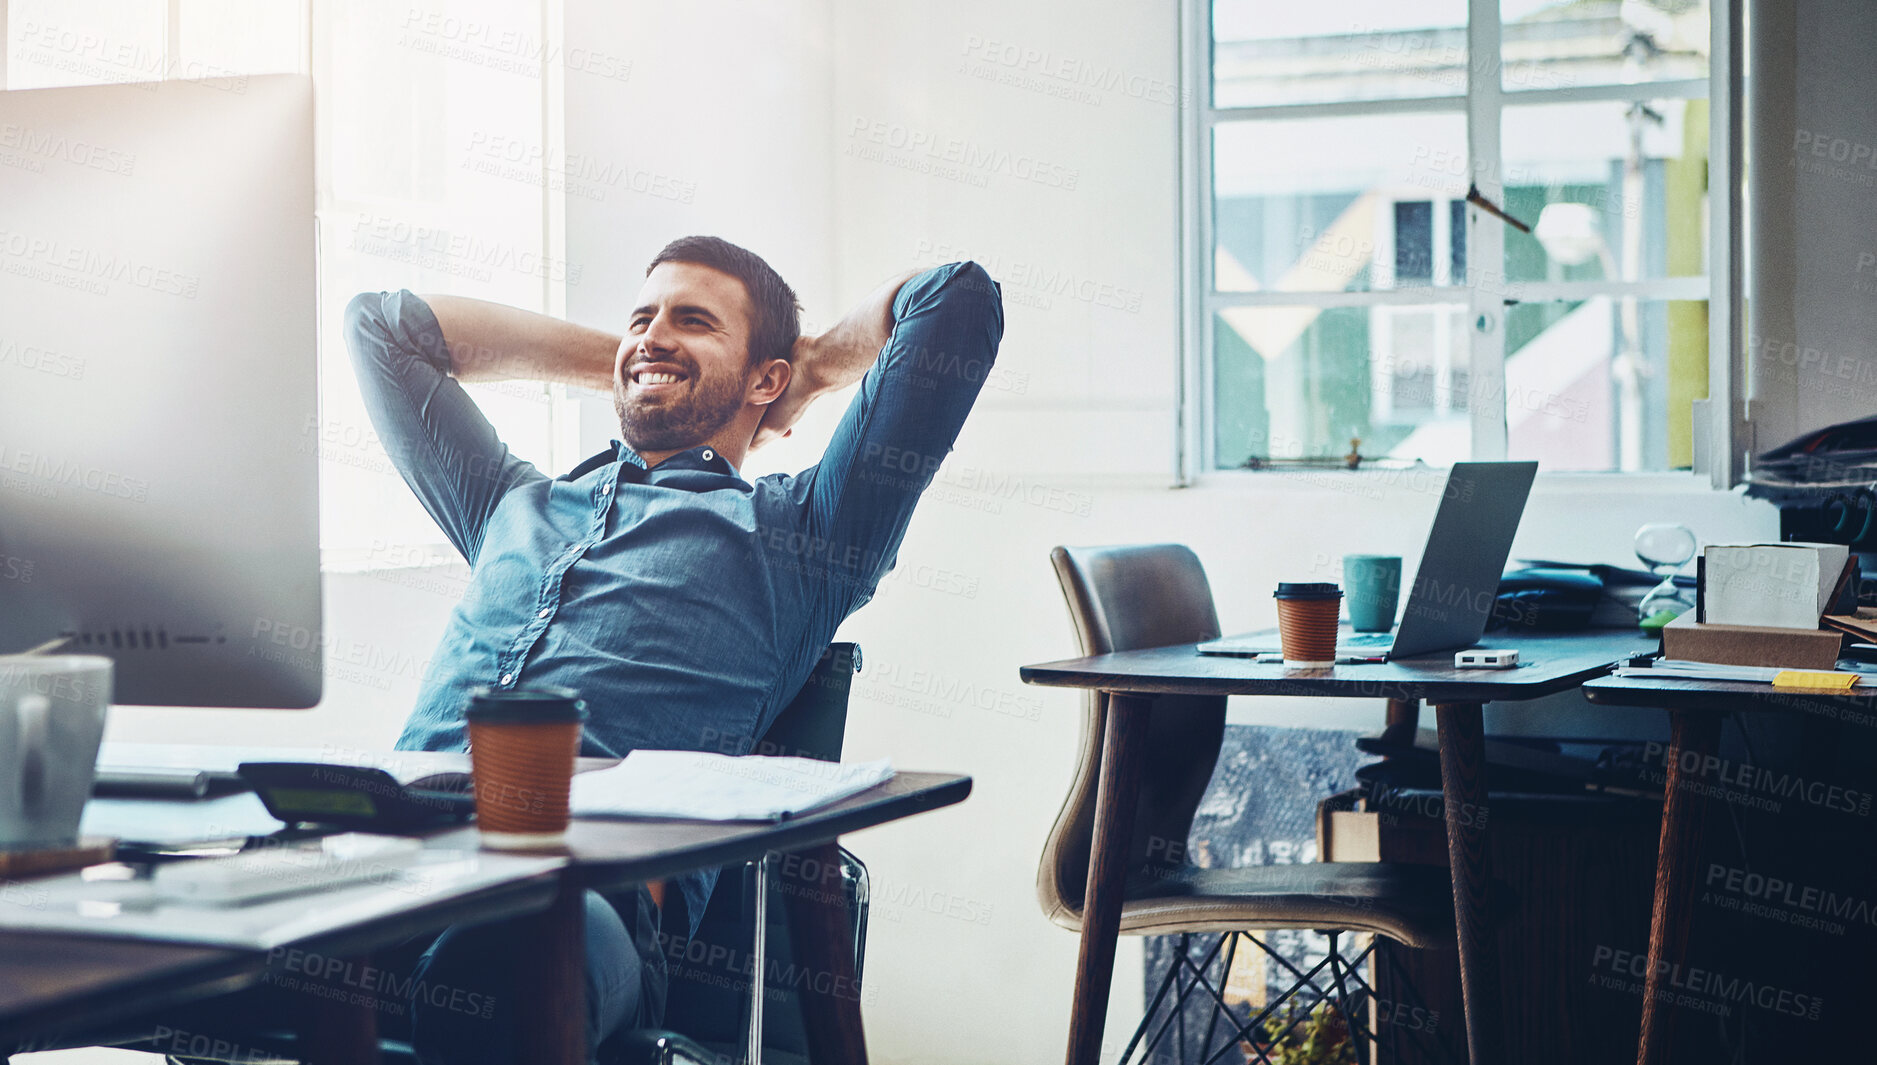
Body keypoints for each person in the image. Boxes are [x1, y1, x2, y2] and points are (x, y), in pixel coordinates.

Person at [343, 236, 1003, 1062]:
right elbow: (380, 328)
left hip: (574, 899)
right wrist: (641, 363)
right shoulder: (514, 505)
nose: (652, 334)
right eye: (640, 318)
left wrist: (799, 373)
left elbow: (954, 300)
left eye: (694, 320)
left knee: (505, 951)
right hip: (382, 861)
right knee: (173, 933)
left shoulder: (803, 536)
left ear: (765, 376)